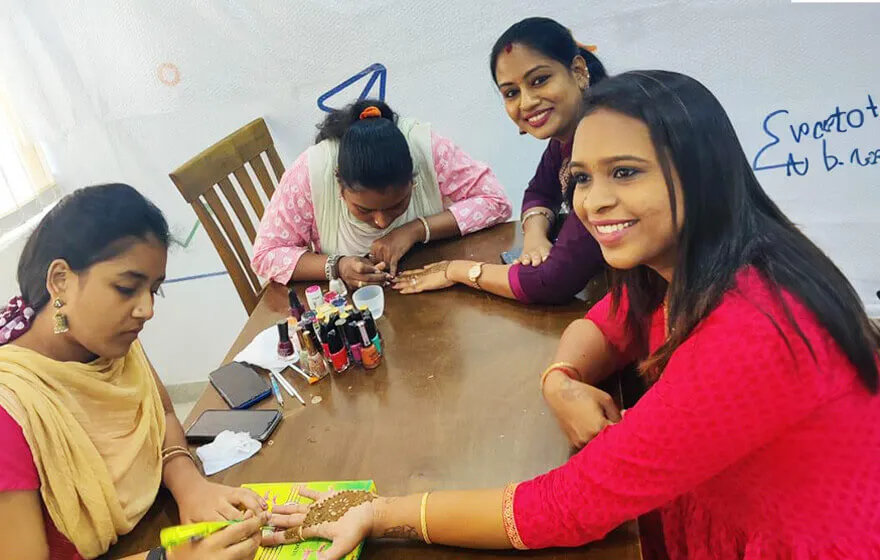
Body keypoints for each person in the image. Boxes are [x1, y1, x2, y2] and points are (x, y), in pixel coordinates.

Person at [258, 71, 880, 559]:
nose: (594, 201)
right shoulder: (688, 263)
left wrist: (380, 511)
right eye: (581, 178)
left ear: (702, 173)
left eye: (625, 173)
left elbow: (568, 506)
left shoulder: (750, 328)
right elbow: (608, 322)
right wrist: (560, 379)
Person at [0, 184, 269, 560]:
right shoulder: (13, 407)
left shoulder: (106, 342)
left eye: (154, 290)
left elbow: (163, 415)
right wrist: (168, 558)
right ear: (60, 280)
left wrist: (190, 486)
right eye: (127, 288)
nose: (147, 310)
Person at [392, 17, 609, 305]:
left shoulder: (604, 144)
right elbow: (540, 191)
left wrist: (455, 270)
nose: (526, 102)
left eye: (539, 80)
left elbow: (551, 281)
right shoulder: (569, 137)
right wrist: (535, 236)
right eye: (511, 93)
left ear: (578, 72)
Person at [251, 100, 512, 289]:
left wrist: (415, 229)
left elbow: (495, 201)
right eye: (363, 210)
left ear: (413, 179)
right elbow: (266, 255)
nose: (382, 222)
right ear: (339, 184)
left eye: (397, 205)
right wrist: (338, 266)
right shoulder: (310, 173)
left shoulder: (427, 150)